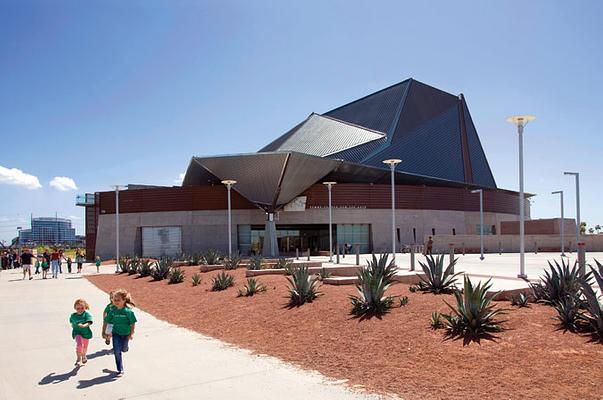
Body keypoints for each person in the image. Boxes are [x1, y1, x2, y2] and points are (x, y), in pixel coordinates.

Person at [104, 289, 137, 376]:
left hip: (126, 334)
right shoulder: (112, 310)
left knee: (124, 349)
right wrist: (107, 332)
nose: (116, 302)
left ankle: (125, 347)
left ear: (124, 300)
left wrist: (131, 333)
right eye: (114, 300)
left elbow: (133, 323)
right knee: (117, 351)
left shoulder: (128, 312)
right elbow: (108, 322)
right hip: (116, 334)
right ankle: (120, 369)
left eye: (118, 300)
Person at [69, 299, 93, 365]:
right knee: (79, 344)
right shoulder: (73, 316)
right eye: (78, 308)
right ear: (75, 308)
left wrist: (83, 325)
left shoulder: (86, 314)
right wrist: (72, 325)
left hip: (85, 333)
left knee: (85, 346)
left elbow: (89, 322)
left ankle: (84, 356)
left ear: (85, 307)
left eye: (82, 308)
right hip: (77, 332)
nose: (80, 310)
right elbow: (71, 322)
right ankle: (78, 357)